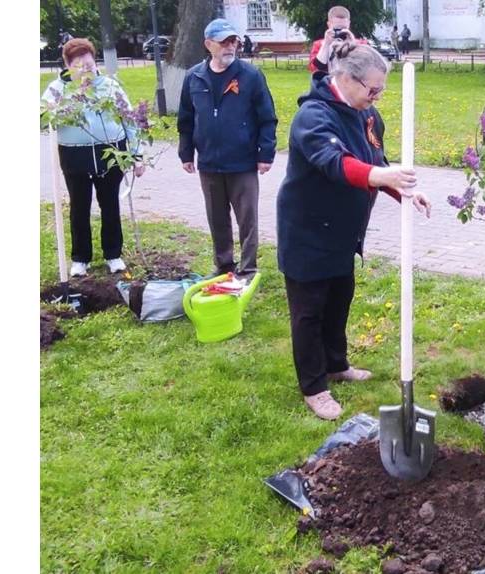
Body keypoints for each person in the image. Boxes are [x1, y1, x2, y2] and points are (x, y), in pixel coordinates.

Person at [277, 41, 432, 420]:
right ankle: (314, 388)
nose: (376, 98)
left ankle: (336, 364)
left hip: (343, 232)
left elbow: (376, 161)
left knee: (338, 300)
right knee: (309, 312)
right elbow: (336, 163)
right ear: (345, 78)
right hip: (308, 232)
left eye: (381, 91)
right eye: (372, 89)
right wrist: (382, 175)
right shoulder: (313, 117)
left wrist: (404, 191)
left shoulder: (367, 116)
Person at [178, 18, 278, 278]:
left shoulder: (251, 76)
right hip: (209, 163)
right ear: (208, 44)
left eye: (233, 41)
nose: (230, 46)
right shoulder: (194, 77)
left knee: (247, 219)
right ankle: (223, 265)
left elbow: (267, 117)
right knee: (217, 219)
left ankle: (248, 269)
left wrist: (265, 153)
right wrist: (186, 152)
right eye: (223, 42)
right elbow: (186, 119)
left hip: (243, 162)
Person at [42, 38, 145, 277]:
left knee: (110, 204)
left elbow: (130, 119)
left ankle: (113, 254)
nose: (86, 69)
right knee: (79, 206)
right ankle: (80, 258)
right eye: (79, 65)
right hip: (74, 155)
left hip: (110, 153)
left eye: (89, 64)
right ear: (67, 66)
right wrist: (58, 108)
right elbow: (42, 115)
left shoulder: (109, 86)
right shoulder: (58, 90)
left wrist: (136, 154)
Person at [308, 5, 368, 74]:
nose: (340, 32)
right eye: (337, 28)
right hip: (329, 82)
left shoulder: (361, 44)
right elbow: (315, 68)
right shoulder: (319, 44)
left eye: (344, 28)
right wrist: (326, 44)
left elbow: (366, 66)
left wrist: (353, 44)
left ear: (349, 24)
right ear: (329, 24)